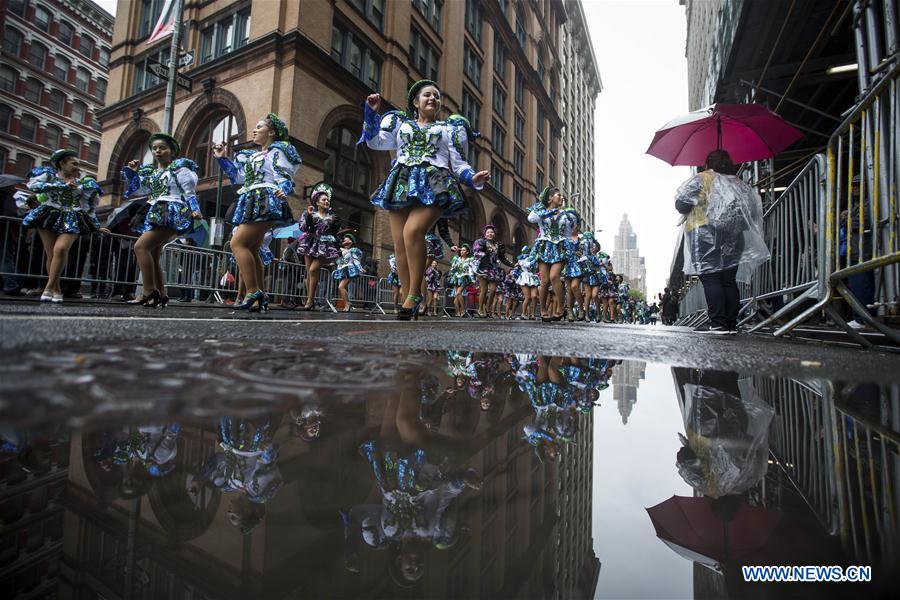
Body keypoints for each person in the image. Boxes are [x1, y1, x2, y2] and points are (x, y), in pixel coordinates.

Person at [359, 80, 489, 320]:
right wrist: (371, 113)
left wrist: (473, 177)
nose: (433, 99)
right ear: (416, 102)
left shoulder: (448, 129)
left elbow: (459, 164)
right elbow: (375, 142)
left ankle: (414, 295)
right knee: (399, 244)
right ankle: (411, 296)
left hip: (435, 181)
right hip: (402, 181)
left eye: (437, 97)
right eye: (427, 95)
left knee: (412, 232)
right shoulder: (399, 123)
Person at [675, 150, 769, 334]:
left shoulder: (701, 179)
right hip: (734, 235)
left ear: (707, 163)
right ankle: (730, 324)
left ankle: (717, 323)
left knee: (711, 278)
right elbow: (752, 212)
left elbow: (682, 205)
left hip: (704, 234)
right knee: (728, 280)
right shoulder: (739, 183)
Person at [215, 113, 301, 312]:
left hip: (265, 200)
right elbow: (239, 176)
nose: (254, 130)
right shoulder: (253, 156)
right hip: (252, 199)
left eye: (259, 127)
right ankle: (258, 296)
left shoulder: (277, 152)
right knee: (252, 249)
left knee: (237, 243)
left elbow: (284, 176)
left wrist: (284, 189)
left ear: (271, 132)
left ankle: (252, 290)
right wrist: (221, 159)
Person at [14, 149, 109, 303]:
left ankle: (48, 287)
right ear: (62, 163)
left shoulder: (83, 184)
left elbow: (88, 207)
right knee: (51, 254)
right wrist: (62, 186)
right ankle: (56, 289)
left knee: (61, 249)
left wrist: (95, 225)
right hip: (48, 214)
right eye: (74, 164)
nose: (78, 167)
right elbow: (34, 187)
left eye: (78, 164)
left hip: (71, 216)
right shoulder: (49, 176)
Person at [119, 133, 200, 308]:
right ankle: (161, 293)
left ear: (172, 151)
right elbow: (138, 190)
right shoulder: (153, 173)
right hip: (155, 210)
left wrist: (195, 209)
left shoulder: (179, 169)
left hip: (171, 211)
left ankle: (149, 292)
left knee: (140, 247)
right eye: (154, 148)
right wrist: (133, 173)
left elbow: (189, 192)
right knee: (153, 254)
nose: (157, 151)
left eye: (162, 148)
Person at [528, 187, 579, 322]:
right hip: (544, 246)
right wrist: (548, 213)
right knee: (544, 281)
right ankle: (543, 310)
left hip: (560, 247)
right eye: (558, 195)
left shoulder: (567, 215)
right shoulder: (541, 211)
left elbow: (568, 234)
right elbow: (531, 218)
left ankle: (561, 308)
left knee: (554, 276)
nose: (561, 197)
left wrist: (571, 250)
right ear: (550, 198)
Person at [297, 182, 340, 311]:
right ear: (317, 202)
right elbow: (303, 227)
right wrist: (309, 216)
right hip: (310, 243)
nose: (327, 201)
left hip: (325, 246)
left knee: (312, 270)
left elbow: (334, 233)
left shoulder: (333, 217)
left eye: (328, 199)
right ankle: (309, 300)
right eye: (324, 200)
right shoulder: (308, 213)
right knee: (309, 274)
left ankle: (310, 301)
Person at [471, 224, 515, 318]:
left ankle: (487, 308)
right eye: (488, 232)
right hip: (482, 268)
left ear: (494, 234)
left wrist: (513, 264)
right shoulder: (481, 242)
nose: (490, 234)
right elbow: (476, 252)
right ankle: (480, 310)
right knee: (484, 289)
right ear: (485, 234)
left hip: (493, 269)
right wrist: (485, 252)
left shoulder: (497, 245)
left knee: (493, 290)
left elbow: (503, 258)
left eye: (492, 232)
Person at [332, 233, 364, 312]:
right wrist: (335, 263)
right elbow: (341, 262)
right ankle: (348, 303)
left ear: (352, 242)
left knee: (341, 287)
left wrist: (360, 268)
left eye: (348, 240)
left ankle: (347, 304)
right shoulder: (343, 251)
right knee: (342, 287)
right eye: (344, 240)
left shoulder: (353, 250)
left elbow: (356, 260)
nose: (346, 242)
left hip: (350, 270)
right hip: (344, 270)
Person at [448, 244, 476, 317]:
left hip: (465, 277)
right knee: (456, 296)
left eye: (464, 250)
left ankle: (463, 310)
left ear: (467, 252)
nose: (462, 251)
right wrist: (451, 274)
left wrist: (473, 279)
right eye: (461, 250)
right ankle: (457, 312)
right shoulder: (456, 258)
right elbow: (453, 268)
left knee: (458, 293)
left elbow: (471, 270)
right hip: (456, 277)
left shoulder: (470, 259)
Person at [515, 245, 540, 320]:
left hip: (533, 277)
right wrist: (536, 258)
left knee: (534, 296)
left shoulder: (536, 257)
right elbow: (528, 265)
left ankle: (532, 314)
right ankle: (523, 314)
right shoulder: (521, 259)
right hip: (525, 277)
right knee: (528, 297)